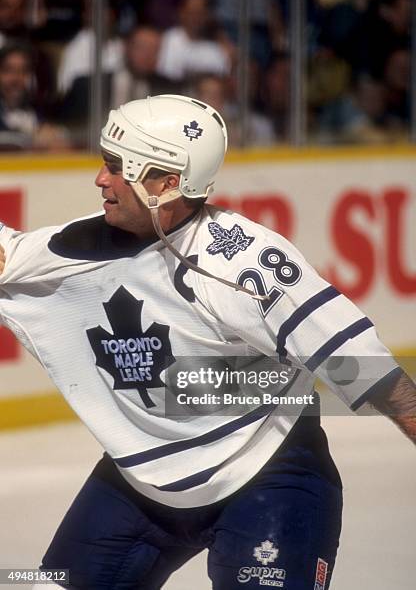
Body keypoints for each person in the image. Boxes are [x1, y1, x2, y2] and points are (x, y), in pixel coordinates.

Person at [0, 95, 414, 590]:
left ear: (168, 183)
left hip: (271, 480)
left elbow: (362, 366)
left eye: (116, 167)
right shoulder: (66, 253)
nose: (100, 180)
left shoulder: (244, 264)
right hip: (139, 487)